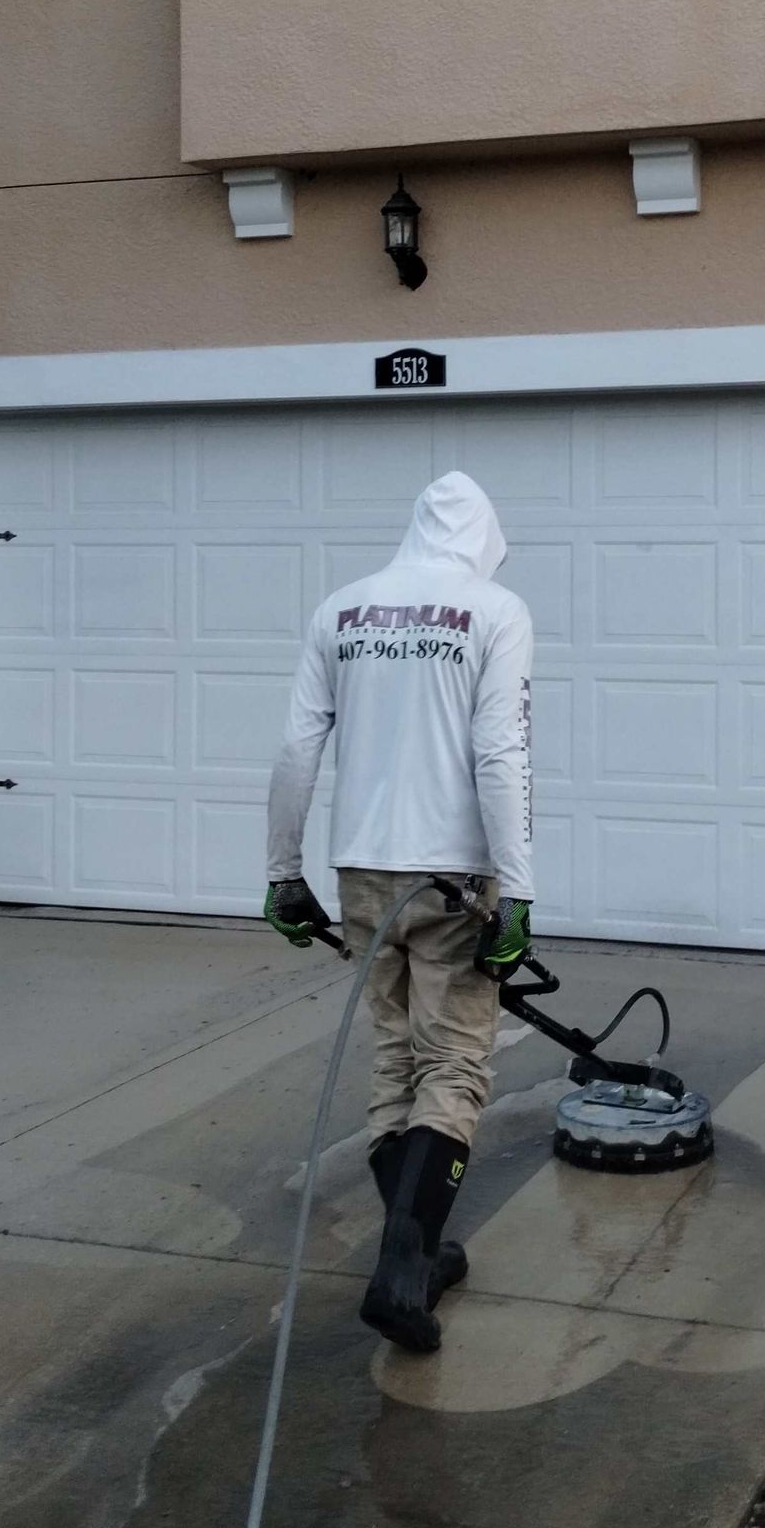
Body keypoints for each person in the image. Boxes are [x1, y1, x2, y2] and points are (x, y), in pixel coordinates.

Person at [263, 472, 533, 1355]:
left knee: (393, 1057)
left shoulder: (342, 610)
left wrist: (283, 873)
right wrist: (519, 890)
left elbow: (299, 746)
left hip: (364, 872)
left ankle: (415, 1249)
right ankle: (405, 1262)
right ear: (484, 536)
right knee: (453, 1063)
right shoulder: (495, 611)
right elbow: (500, 751)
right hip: (452, 874)